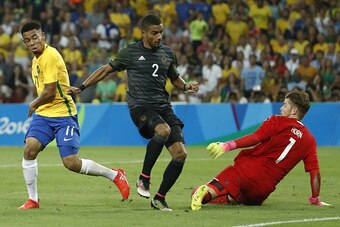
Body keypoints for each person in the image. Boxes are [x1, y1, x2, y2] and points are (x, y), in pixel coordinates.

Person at [67, 14, 199, 211]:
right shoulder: (130, 53)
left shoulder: (168, 54)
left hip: (163, 106)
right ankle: (144, 178)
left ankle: (160, 198)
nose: (159, 37)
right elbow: (105, 70)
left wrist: (186, 86)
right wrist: (82, 87)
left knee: (180, 154)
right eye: (154, 33)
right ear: (143, 33)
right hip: (140, 107)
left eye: (161, 32)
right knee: (162, 131)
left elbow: (175, 78)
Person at [18, 22, 130, 210]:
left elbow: (50, 92)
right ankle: (33, 200)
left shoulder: (50, 56)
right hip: (44, 114)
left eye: (35, 37)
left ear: (43, 36)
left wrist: (34, 103)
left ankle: (115, 175)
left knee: (71, 163)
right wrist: (38, 106)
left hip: (63, 115)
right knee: (29, 150)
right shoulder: (35, 59)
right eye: (27, 40)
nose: (32, 42)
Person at [191, 90, 330, 210]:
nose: (281, 108)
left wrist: (227, 145)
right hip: (261, 192)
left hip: (245, 172)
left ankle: (205, 192)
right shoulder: (310, 140)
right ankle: (226, 197)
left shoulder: (277, 121)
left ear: (294, 110)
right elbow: (315, 173)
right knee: (231, 199)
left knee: (198, 192)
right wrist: (315, 198)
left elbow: (256, 137)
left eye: (285, 105)